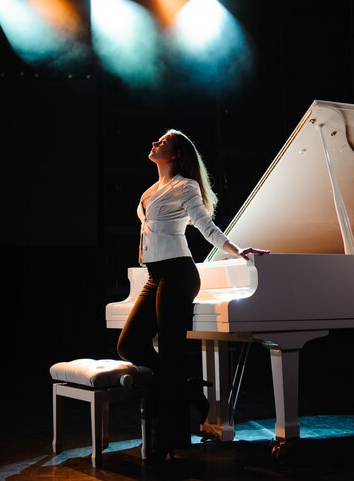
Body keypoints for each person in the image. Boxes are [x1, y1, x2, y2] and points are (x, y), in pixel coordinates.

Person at [117, 128, 270, 464]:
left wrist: (237, 251)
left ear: (176, 155)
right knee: (129, 344)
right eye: (156, 139)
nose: (155, 142)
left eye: (163, 142)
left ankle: (169, 437)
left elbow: (205, 226)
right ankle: (189, 391)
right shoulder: (151, 190)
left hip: (178, 273)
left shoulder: (185, 187)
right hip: (154, 276)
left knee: (170, 353)